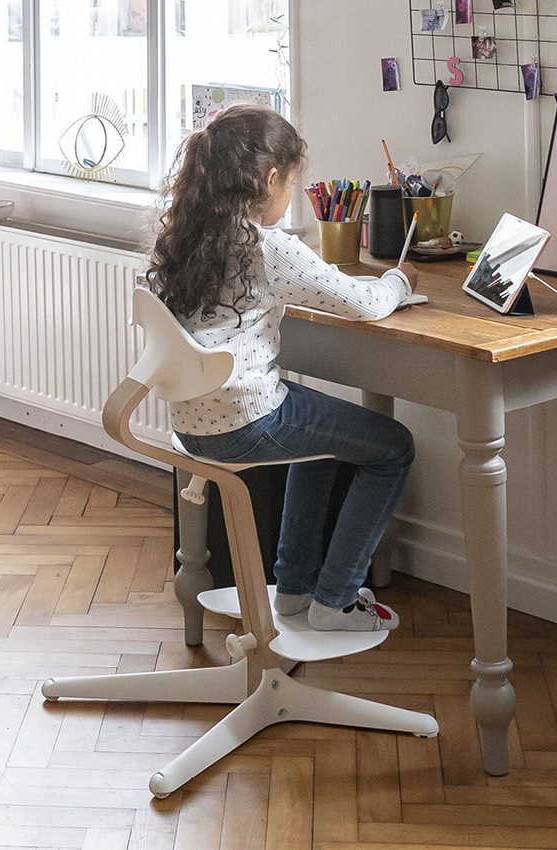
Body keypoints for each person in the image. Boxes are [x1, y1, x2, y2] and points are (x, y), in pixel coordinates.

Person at [146, 104, 419, 632]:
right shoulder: (267, 247)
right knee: (393, 448)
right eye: (292, 183)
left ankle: (294, 590)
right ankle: (336, 601)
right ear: (271, 179)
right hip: (248, 423)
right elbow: (364, 302)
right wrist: (400, 281)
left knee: (322, 438)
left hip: (190, 427)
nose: (291, 194)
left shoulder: (181, 237)